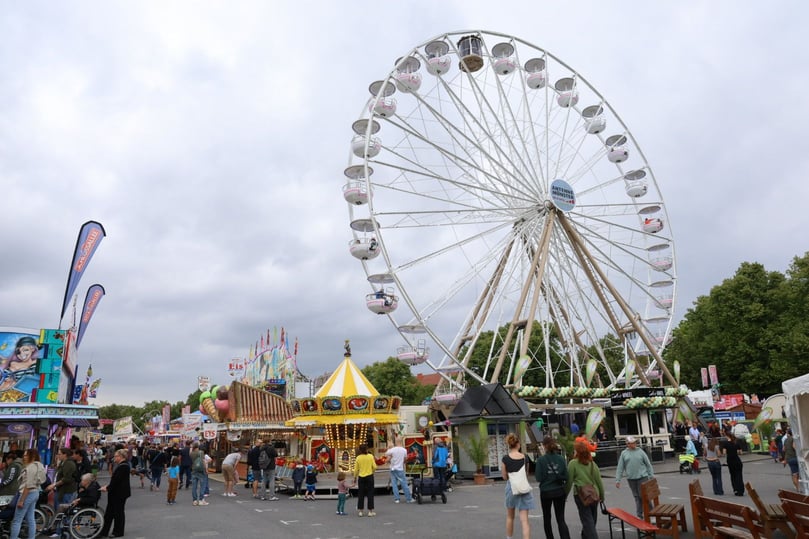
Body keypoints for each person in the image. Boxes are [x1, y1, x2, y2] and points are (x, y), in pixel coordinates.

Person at [566, 440, 604, 539]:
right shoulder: (592, 464)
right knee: (592, 518)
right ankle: (585, 536)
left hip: (581, 495)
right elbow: (599, 481)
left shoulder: (573, 464)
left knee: (587, 520)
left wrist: (565, 495)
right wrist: (602, 496)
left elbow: (569, 481)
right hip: (594, 494)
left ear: (577, 452)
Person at [535, 436, 570, 539]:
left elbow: (538, 478)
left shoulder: (541, 460)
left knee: (547, 518)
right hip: (559, 491)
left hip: (546, 492)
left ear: (544, 446)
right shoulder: (560, 458)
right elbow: (566, 476)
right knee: (560, 518)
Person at [501, 433, 533, 539]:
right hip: (523, 488)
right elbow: (526, 474)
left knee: (510, 517)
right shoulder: (525, 458)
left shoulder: (505, 459)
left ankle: (509, 537)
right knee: (524, 520)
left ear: (509, 445)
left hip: (511, 487)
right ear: (518, 444)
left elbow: (504, 476)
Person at [50, 473, 101, 538]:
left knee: (61, 507)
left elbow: (92, 499)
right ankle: (54, 526)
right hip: (82, 505)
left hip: (83, 507)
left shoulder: (92, 488)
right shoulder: (89, 486)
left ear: (87, 481)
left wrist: (79, 500)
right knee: (61, 508)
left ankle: (53, 527)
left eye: (82, 480)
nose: (81, 482)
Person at [10, 448, 46, 539]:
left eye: (26, 455)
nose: (24, 457)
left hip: (27, 494)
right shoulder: (39, 466)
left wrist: (22, 500)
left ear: (32, 456)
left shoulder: (31, 467)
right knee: (30, 518)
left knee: (17, 520)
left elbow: (28, 485)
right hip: (35, 492)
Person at [615, 435, 654, 518]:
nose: (633, 444)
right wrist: (618, 480)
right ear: (627, 444)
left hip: (642, 477)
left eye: (634, 443)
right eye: (631, 443)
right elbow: (620, 467)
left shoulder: (640, 451)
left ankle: (651, 512)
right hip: (631, 479)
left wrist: (651, 476)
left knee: (643, 495)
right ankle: (639, 515)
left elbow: (648, 464)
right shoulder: (624, 453)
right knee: (637, 496)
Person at [99, 448, 131, 538]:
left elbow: (116, 480)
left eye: (116, 456)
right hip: (117, 492)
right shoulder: (123, 465)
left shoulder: (123, 466)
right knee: (111, 513)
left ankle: (117, 531)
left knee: (117, 513)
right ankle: (104, 531)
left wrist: (107, 487)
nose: (114, 458)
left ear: (121, 457)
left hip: (119, 493)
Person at [45, 448, 78, 516]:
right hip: (59, 490)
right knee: (58, 509)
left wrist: (54, 485)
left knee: (63, 509)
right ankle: (59, 523)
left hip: (66, 491)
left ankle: (63, 524)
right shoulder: (63, 463)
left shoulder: (69, 464)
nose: (58, 456)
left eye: (59, 454)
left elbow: (66, 478)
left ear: (65, 454)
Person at [384, 437, 413, 504]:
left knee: (394, 484)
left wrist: (389, 448)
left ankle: (397, 499)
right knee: (404, 483)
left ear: (396, 442)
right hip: (400, 468)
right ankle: (408, 498)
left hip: (392, 468)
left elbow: (386, 454)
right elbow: (405, 459)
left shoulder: (392, 450)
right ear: (401, 442)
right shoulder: (404, 450)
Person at [354, 444, 377, 517]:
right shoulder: (370, 456)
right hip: (369, 476)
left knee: (361, 493)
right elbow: (375, 466)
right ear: (367, 449)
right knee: (370, 493)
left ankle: (360, 511)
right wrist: (372, 471)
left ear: (360, 450)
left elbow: (356, 469)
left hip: (361, 476)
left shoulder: (358, 458)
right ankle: (370, 511)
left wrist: (355, 477)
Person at [721, 430, 745, 496]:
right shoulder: (736, 443)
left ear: (727, 436)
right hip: (737, 460)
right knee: (739, 475)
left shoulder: (725, 444)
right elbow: (741, 452)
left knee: (733, 476)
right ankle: (741, 490)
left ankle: (736, 490)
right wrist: (735, 451)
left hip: (730, 461)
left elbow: (724, 453)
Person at [189, 441, 208, 506]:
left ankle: (194, 500)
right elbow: (203, 461)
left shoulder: (191, 453)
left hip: (194, 470)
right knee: (202, 485)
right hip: (201, 470)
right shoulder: (201, 452)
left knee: (194, 486)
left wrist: (191, 448)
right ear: (198, 447)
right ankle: (200, 499)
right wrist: (206, 469)